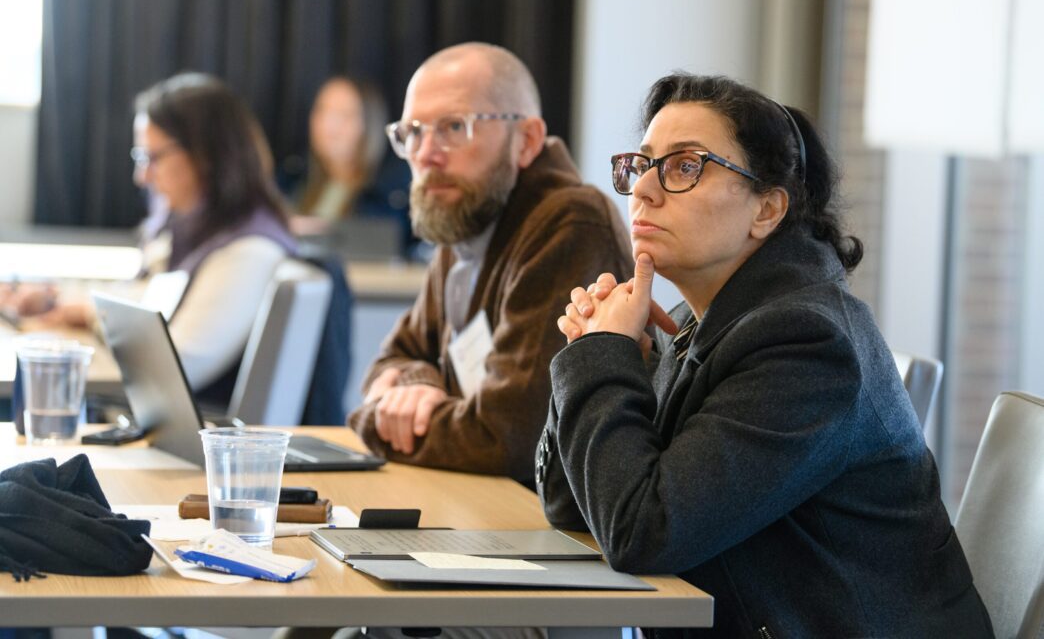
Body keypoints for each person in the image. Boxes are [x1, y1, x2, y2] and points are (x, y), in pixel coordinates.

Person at [541, 74, 993, 637]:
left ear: (767, 210)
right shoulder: (694, 322)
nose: (644, 191)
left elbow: (643, 534)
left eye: (685, 166)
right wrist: (602, 356)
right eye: (643, 164)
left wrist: (600, 358)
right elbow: (574, 508)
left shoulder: (806, 344)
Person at [348, 42, 632, 485]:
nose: (425, 153)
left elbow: (506, 440)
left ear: (527, 141)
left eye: (453, 127)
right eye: (413, 132)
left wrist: (373, 421)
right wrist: (416, 383)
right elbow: (392, 362)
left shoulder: (570, 224)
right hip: (477, 511)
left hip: (550, 534)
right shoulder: (464, 214)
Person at [19, 73, 297, 403]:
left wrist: (89, 313)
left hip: (191, 440)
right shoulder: (190, 224)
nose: (142, 177)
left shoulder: (249, 249)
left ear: (207, 155)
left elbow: (178, 365)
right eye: (140, 158)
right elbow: (144, 298)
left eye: (153, 158)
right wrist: (60, 300)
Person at [279, 75, 413, 253]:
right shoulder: (291, 178)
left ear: (369, 122)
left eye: (346, 115)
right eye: (322, 111)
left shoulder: (392, 192)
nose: (330, 125)